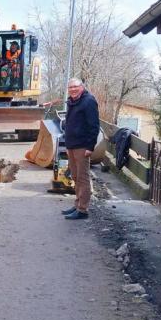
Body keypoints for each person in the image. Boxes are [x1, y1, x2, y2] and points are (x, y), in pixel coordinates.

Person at [61, 78, 99, 220]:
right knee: (75, 176)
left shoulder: (88, 101)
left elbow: (94, 125)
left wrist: (90, 146)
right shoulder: (72, 101)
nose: (73, 89)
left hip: (82, 146)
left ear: (82, 87)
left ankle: (83, 210)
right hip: (72, 144)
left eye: (75, 87)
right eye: (70, 87)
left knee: (83, 178)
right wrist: (67, 145)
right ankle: (77, 204)